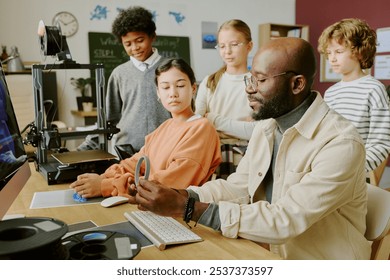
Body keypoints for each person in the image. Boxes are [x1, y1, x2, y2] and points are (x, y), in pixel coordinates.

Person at [132, 37, 371, 260]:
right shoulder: (267, 127)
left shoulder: (340, 143)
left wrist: (188, 208)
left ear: (297, 84)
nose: (249, 88)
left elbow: (285, 219)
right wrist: (185, 195)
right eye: (250, 78)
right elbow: (240, 187)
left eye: (261, 80)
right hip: (266, 252)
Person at [70, 58, 222, 198]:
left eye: (180, 86)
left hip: (174, 212)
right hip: (148, 203)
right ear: (158, 93)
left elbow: (170, 181)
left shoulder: (202, 128)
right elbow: (137, 162)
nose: (173, 93)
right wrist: (102, 177)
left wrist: (107, 186)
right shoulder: (164, 127)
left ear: (193, 89)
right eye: (165, 87)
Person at [78, 6, 171, 151]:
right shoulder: (119, 74)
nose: (135, 48)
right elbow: (108, 119)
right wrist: (83, 149)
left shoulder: (172, 68)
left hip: (165, 149)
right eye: (128, 44)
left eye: (140, 40)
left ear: (153, 36)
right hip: (127, 152)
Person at [318, 18, 390, 173]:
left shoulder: (374, 89)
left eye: (338, 52)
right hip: (327, 167)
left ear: (359, 51)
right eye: (329, 53)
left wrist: (353, 170)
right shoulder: (330, 93)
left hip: (354, 172)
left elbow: (381, 143)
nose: (332, 58)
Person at [195, 19, 256, 178]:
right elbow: (197, 124)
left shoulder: (258, 83)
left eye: (234, 44)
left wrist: (213, 119)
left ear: (249, 46)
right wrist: (240, 126)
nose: (227, 51)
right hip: (212, 156)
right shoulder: (209, 82)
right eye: (222, 46)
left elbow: (256, 132)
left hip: (248, 157)